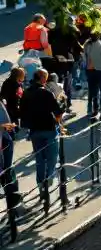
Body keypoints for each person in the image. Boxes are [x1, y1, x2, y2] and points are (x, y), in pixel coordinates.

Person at [20, 68, 64, 197]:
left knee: (40, 159)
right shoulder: (46, 93)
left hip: (34, 130)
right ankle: (49, 179)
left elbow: (22, 112)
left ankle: (40, 185)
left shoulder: (26, 93)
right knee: (52, 156)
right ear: (43, 78)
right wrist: (62, 105)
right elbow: (57, 111)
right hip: (48, 128)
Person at [83, 29, 101, 120]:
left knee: (92, 91)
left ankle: (92, 109)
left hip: (90, 70)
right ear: (100, 36)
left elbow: (85, 57)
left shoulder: (87, 45)